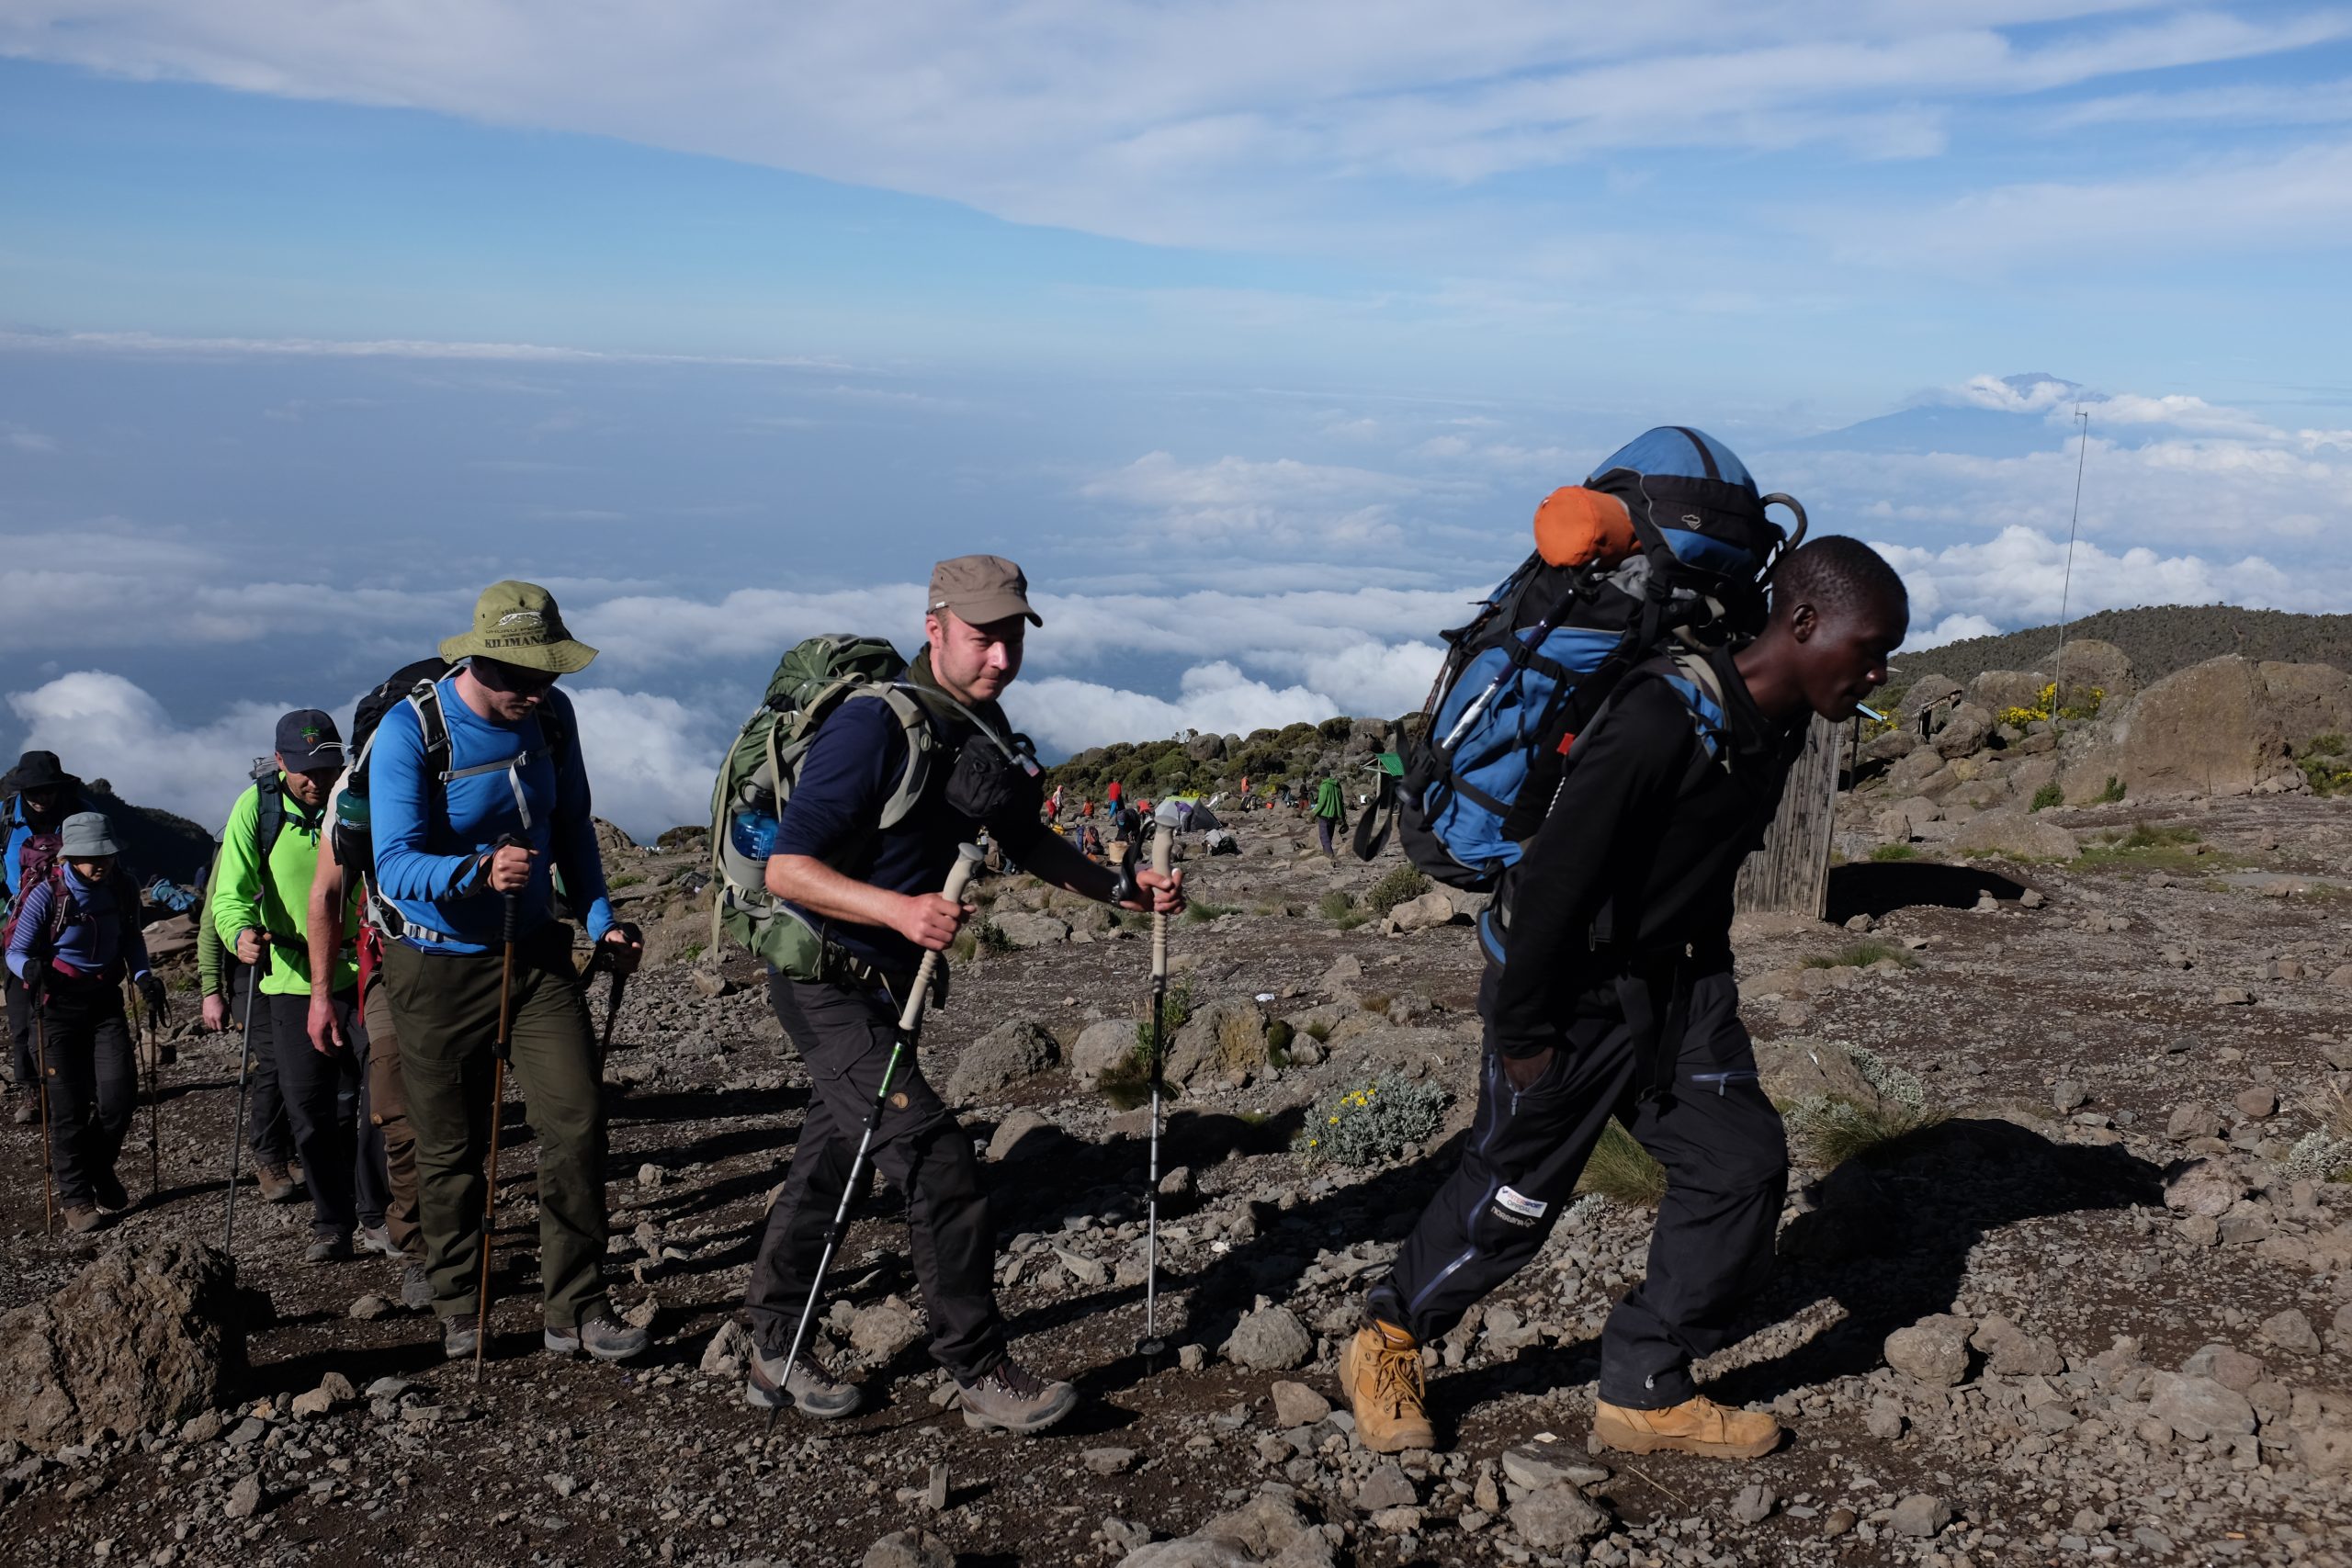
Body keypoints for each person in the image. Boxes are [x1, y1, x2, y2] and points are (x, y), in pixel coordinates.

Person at [1338, 536, 1907, 1461]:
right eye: (1869, 646)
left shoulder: (1782, 725)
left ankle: (1644, 1387)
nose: (1878, 671)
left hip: (1680, 984)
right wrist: (1525, 1031)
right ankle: (1387, 1339)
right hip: (1565, 991)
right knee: (1516, 1195)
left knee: (1740, 1165)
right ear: (1801, 624)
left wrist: (1704, 981)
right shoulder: (1657, 721)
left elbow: (1705, 862)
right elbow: (1556, 887)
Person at [741, 554, 1182, 1433]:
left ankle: (770, 1341)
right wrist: (900, 911)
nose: (1001, 658)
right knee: (938, 1155)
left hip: (886, 984)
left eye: (1013, 638)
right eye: (984, 638)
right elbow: (788, 868)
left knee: (834, 1155)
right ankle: (977, 1363)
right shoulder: (873, 728)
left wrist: (1121, 889)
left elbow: (1030, 841)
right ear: (935, 625)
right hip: (824, 977)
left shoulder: (979, 728)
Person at [369, 581, 644, 1363]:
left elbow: (572, 831)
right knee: (450, 1144)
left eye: (548, 675)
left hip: (535, 956)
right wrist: (478, 872)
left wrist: (601, 920)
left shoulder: (552, 720)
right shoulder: (411, 733)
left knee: (578, 1117)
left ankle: (577, 1306)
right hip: (433, 966)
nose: (536, 691)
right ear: (478, 660)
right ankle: (463, 1302)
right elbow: (393, 866)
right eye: (521, 677)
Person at [213, 711, 389, 1264]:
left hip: (366, 971)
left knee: (381, 1100)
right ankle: (331, 1220)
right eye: (305, 770)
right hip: (289, 979)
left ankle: (377, 1212)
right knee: (308, 1107)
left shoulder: (361, 798)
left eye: (327, 766)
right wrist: (238, 932)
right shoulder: (256, 808)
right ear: (281, 762)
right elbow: (230, 892)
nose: (317, 780)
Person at [306, 750, 433, 1310]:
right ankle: (416, 1250)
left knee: (450, 1111)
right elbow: (328, 894)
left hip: (464, 964)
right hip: (385, 965)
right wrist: (318, 995)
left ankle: (438, 1235)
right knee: (392, 1106)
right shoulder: (355, 795)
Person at [6, 812, 166, 1235]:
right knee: (68, 1109)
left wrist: (143, 976)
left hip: (105, 1001)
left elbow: (131, 937)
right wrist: (31, 971)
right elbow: (15, 951)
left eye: (107, 855)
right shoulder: (47, 895)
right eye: (92, 857)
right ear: (70, 857)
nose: (102, 864)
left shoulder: (122, 886)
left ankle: (97, 1168)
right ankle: (76, 1197)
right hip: (56, 1005)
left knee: (119, 1096)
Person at [197, 843, 300, 1203]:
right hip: (249, 967)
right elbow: (212, 922)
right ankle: (271, 1158)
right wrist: (211, 990)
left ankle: (298, 1150)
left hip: (298, 960)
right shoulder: (236, 848)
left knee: (303, 1059)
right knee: (272, 1061)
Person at [3, 751, 85, 1125]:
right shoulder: (4, 820)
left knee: (76, 1009)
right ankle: (33, 1090)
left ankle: (76, 1085)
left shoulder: (81, 815)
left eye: (47, 789)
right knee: (22, 1016)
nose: (41, 797)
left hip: (73, 930)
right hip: (16, 931)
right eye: (34, 790)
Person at [1311, 773, 1347, 859]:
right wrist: (1343, 817)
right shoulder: (1337, 786)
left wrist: (1313, 813)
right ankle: (1326, 854)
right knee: (1329, 836)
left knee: (1324, 836)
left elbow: (1321, 802)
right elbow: (1341, 802)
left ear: (1322, 776)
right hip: (1334, 814)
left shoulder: (1324, 786)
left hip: (1324, 814)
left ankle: (1329, 855)